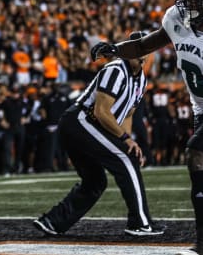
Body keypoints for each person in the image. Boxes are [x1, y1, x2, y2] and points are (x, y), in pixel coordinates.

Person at [91, 0, 203, 255]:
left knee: (197, 155)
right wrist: (116, 49)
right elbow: (146, 44)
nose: (190, 2)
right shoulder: (175, 18)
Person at [35, 31, 165, 237]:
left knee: (96, 181)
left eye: (142, 48)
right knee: (126, 160)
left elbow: (128, 114)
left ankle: (53, 221)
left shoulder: (142, 80)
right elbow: (101, 111)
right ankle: (139, 222)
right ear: (126, 50)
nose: (138, 53)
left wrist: (128, 140)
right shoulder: (116, 69)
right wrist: (125, 141)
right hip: (82, 120)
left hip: (88, 124)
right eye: (133, 47)